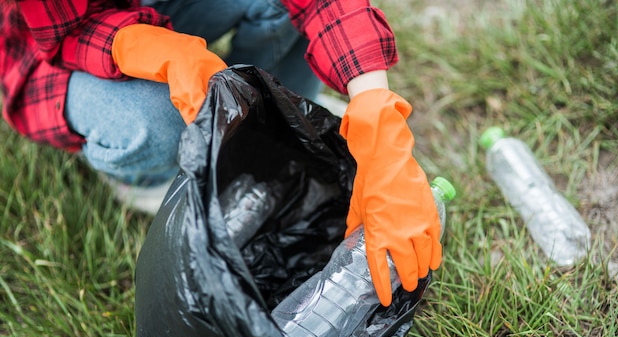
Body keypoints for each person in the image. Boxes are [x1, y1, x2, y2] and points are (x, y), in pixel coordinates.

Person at [0, 0, 442, 307]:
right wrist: (156, 52)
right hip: (56, 44)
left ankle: (273, 110)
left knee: (278, 7)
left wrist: (376, 112)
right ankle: (144, 175)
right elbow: (69, 30)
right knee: (156, 119)